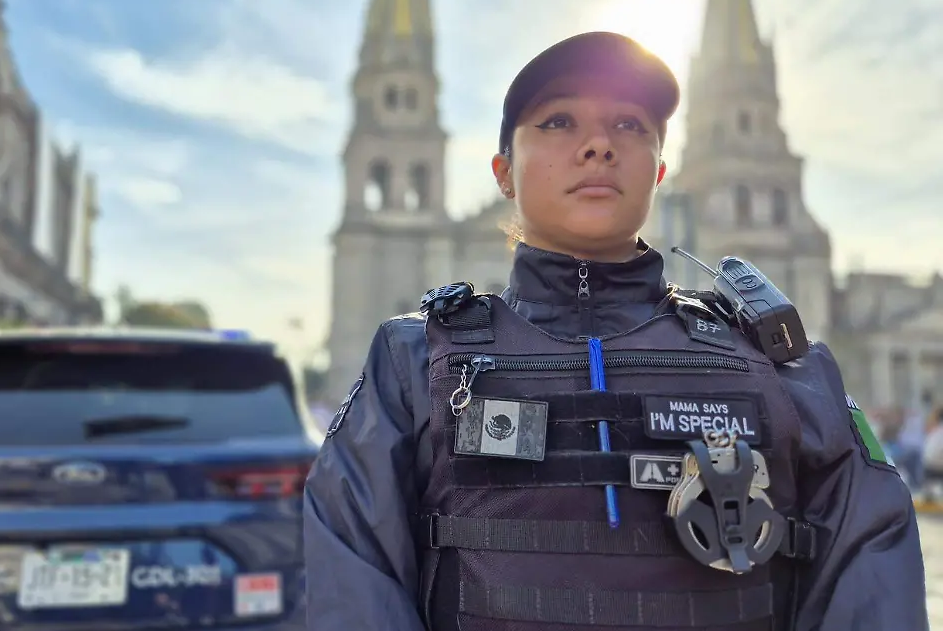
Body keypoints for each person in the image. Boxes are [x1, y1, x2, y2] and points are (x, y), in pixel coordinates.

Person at [303, 31, 927, 631]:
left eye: (629, 125)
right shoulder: (414, 365)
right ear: (504, 173)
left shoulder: (783, 372)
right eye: (557, 122)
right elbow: (355, 579)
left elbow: (870, 571)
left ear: (659, 171)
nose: (598, 144)